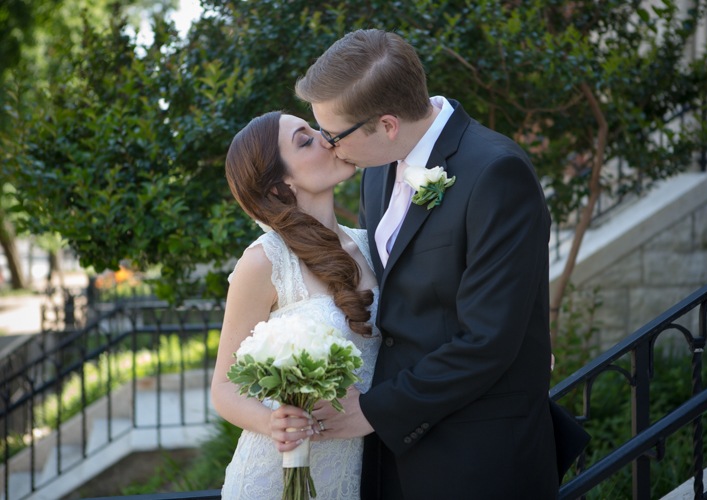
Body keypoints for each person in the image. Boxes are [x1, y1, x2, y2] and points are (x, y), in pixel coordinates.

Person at [294, 29, 559, 499]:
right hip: (396, 454)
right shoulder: (375, 169)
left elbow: (488, 339)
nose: (329, 147)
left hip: (477, 456)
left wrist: (376, 411)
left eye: (333, 136)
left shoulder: (497, 173)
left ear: (388, 123)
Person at [212, 110, 382, 500]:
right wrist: (273, 420)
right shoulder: (264, 262)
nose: (326, 139)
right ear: (278, 186)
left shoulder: (376, 245)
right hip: (278, 477)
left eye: (316, 130)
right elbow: (223, 386)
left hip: (358, 473)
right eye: (305, 140)